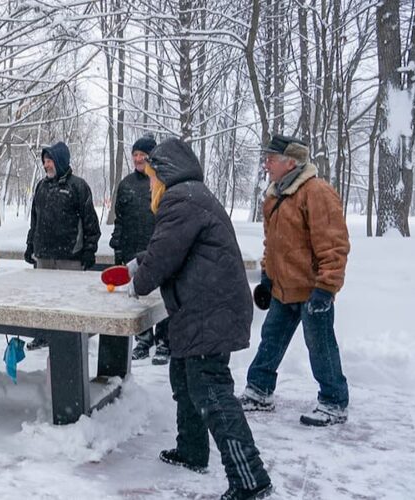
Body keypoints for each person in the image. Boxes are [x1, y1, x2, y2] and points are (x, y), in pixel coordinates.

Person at [129, 138, 273, 500]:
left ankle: (250, 479)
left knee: (210, 390)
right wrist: (141, 259)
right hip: (205, 308)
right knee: (184, 375)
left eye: (151, 177)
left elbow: (159, 263)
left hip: (210, 311)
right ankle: (192, 450)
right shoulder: (192, 195)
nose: (149, 184)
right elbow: (174, 246)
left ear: (163, 174)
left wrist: (138, 276)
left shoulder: (180, 200)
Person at [239, 134, 351, 427]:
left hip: (312, 289)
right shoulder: (275, 195)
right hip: (282, 287)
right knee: (271, 339)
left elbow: (334, 244)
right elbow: (272, 244)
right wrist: (266, 277)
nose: (266, 164)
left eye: (271, 159)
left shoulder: (316, 192)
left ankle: (334, 401)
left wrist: (326, 289)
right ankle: (259, 390)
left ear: (291, 162)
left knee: (321, 346)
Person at [23, 141, 100, 350]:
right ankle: (43, 334)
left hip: (70, 257)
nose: (46, 165)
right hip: (44, 256)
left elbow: (91, 223)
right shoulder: (41, 186)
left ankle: (70, 339)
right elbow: (34, 220)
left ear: (61, 161)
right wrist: (30, 245)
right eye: (45, 161)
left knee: (69, 302)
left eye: (50, 161)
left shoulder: (78, 186)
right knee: (43, 299)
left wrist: (89, 250)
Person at [110, 135, 170, 364]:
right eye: (135, 155)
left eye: (142, 155)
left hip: (157, 249)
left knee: (161, 297)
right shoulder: (126, 185)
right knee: (137, 297)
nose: (137, 159)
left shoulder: (161, 181)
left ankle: (165, 342)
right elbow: (120, 219)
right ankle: (143, 340)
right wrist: (118, 246)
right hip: (131, 249)